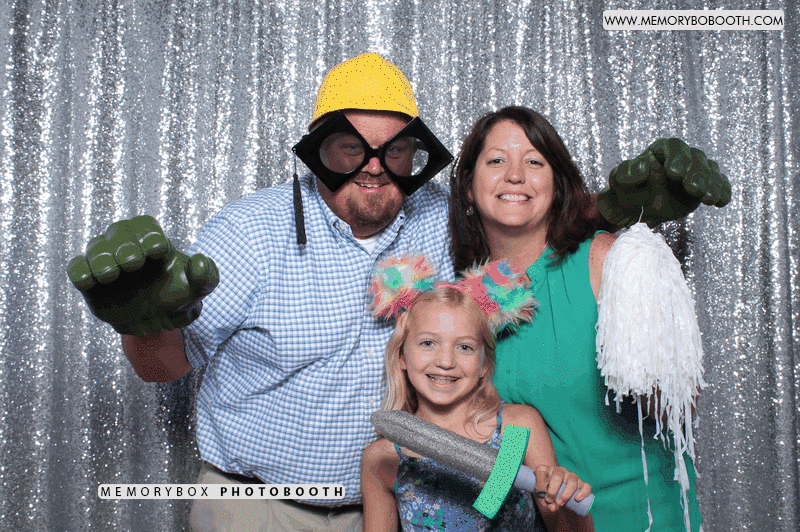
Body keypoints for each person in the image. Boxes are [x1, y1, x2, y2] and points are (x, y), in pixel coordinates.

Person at [66, 51, 728, 531]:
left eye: (395, 151)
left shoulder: (443, 221)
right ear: (317, 149)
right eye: (349, 149)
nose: (374, 169)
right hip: (258, 509)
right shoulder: (247, 233)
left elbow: (525, 223)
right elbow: (164, 366)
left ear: (418, 156)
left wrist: (616, 216)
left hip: (392, 503)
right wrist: (142, 324)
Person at [448, 106, 719, 531]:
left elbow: (677, 408)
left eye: (534, 162)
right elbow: (509, 448)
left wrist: (652, 359)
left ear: (556, 185)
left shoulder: (605, 261)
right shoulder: (465, 305)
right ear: (468, 186)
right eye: (496, 160)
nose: (515, 175)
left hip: (641, 519)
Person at [361, 257, 594, 532]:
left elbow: (563, 527)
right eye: (428, 343)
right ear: (401, 356)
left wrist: (568, 498)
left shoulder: (516, 428)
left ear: (484, 363)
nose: (445, 361)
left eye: (465, 347)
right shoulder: (383, 457)